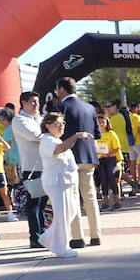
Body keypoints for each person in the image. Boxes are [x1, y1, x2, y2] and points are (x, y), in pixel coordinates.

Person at [54, 77, 101, 249]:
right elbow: (97, 133)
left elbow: (55, 133)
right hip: (88, 155)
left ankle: (78, 237)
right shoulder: (90, 108)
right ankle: (96, 235)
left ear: (62, 89)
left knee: (73, 197)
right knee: (90, 196)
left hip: (69, 157)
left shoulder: (60, 108)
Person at [37, 112, 89, 258]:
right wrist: (76, 136)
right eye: (58, 124)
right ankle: (61, 248)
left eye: (63, 123)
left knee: (70, 212)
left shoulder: (56, 139)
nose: (61, 126)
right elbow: (59, 149)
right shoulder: (47, 140)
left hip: (66, 182)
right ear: (48, 126)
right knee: (62, 215)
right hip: (57, 182)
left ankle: (48, 238)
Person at [11, 92, 45, 247]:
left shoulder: (39, 119)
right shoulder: (19, 120)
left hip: (45, 165)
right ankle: (35, 237)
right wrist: (49, 134)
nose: (36, 105)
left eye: (37, 101)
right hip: (31, 167)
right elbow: (35, 136)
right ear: (23, 103)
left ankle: (43, 233)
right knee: (34, 203)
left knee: (43, 204)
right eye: (32, 102)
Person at [94, 114, 123, 212]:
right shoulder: (95, 135)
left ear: (107, 123)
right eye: (99, 122)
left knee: (112, 179)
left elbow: (117, 148)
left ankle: (117, 201)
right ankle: (105, 202)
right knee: (103, 181)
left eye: (103, 122)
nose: (101, 124)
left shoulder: (111, 134)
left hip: (111, 159)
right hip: (100, 160)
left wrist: (108, 154)